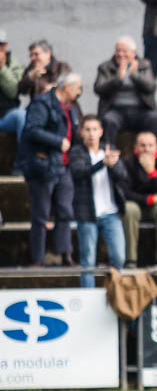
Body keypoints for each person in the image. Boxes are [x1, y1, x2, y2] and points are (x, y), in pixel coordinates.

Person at [20, 72, 82, 266]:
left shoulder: (71, 108)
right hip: (43, 166)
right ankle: (38, 258)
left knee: (65, 211)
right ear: (67, 87)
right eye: (78, 88)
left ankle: (65, 254)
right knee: (41, 214)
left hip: (64, 166)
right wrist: (57, 141)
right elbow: (32, 130)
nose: (79, 92)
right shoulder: (42, 103)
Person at [69, 115, 126, 287]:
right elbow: (78, 172)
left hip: (111, 212)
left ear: (101, 132)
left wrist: (113, 165)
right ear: (81, 132)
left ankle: (114, 291)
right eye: (87, 129)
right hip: (87, 214)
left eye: (94, 129)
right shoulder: (77, 152)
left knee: (119, 257)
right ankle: (88, 296)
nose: (91, 134)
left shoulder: (109, 149)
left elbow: (122, 176)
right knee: (88, 261)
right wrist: (103, 163)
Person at [94, 37, 157, 147]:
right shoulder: (105, 67)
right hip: (116, 111)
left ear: (133, 53)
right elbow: (98, 89)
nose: (120, 54)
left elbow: (151, 87)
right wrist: (118, 79)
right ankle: (108, 154)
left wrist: (135, 76)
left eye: (124, 51)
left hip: (141, 111)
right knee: (108, 120)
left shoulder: (144, 65)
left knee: (156, 118)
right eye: (118, 51)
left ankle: (155, 155)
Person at [121, 131, 157, 267]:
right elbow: (125, 192)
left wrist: (152, 173)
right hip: (137, 204)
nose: (147, 149)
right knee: (129, 209)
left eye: (150, 145)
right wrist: (150, 199)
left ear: (156, 146)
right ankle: (130, 260)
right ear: (136, 147)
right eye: (143, 145)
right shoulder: (128, 163)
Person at [0, 32, 27, 139]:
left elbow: (13, 92)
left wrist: (2, 68)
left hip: (6, 116)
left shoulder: (14, 64)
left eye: (1, 45)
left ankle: (24, 150)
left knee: (22, 115)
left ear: (5, 46)